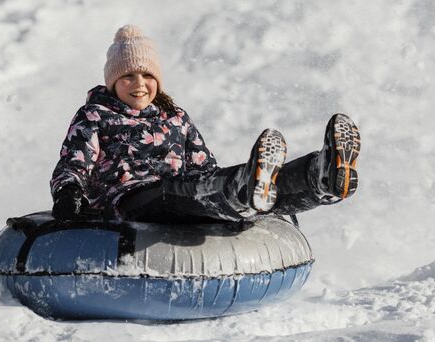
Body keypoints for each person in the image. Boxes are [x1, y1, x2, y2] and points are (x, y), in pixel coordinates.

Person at [51, 25, 360, 224]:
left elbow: (203, 167)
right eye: (128, 76)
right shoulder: (95, 116)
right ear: (113, 81)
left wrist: (218, 179)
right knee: (191, 192)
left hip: (181, 192)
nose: (139, 84)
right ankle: (244, 191)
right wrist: (68, 194)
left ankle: (318, 178)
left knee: (217, 183)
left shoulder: (176, 118)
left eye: (148, 76)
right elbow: (73, 164)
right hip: (130, 200)